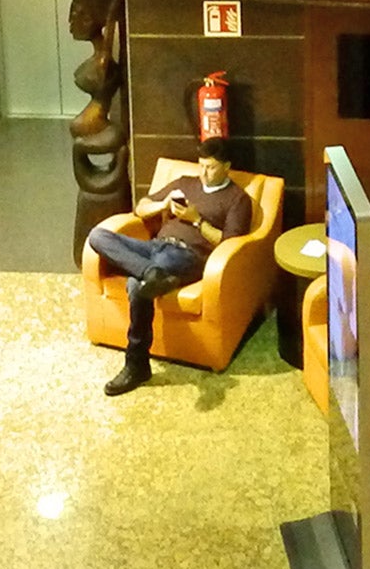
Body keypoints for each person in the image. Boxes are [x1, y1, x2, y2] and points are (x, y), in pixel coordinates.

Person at [85, 138, 255, 396]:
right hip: (155, 246)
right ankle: (151, 273)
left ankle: (136, 364)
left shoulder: (237, 199)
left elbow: (230, 244)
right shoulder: (185, 183)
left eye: (210, 167)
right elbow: (141, 208)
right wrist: (163, 205)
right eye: (201, 166)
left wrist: (196, 221)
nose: (203, 173)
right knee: (98, 236)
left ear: (226, 167)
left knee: (137, 286)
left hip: (190, 256)